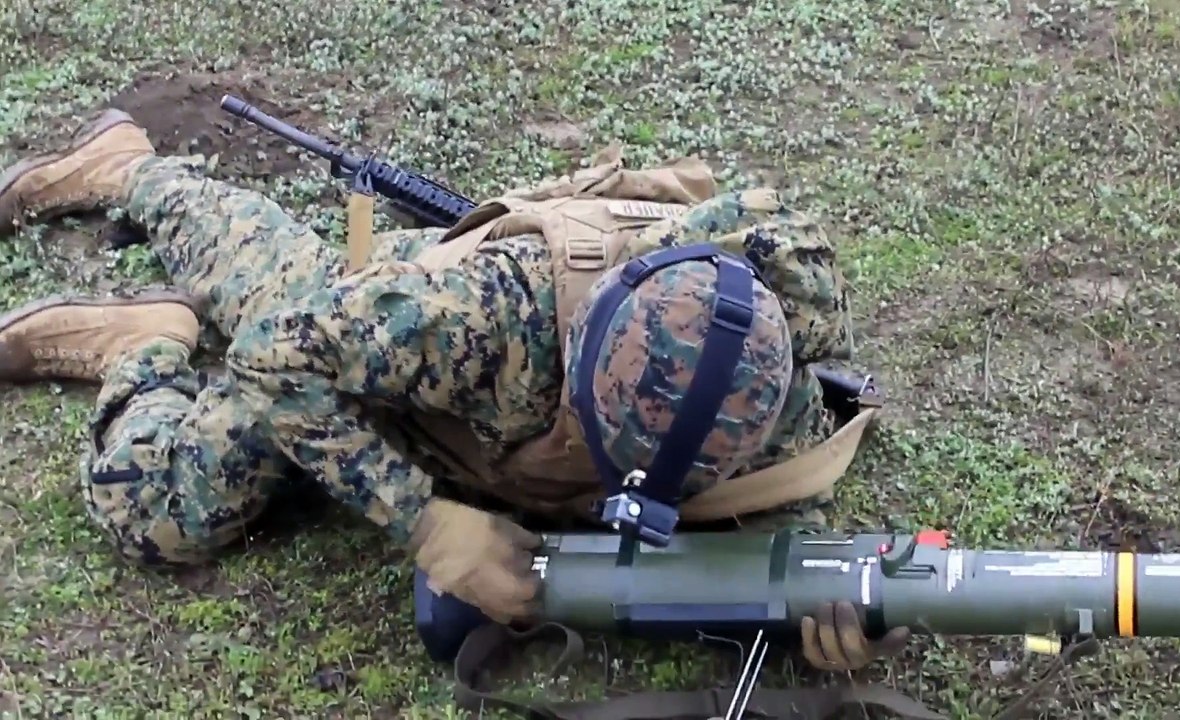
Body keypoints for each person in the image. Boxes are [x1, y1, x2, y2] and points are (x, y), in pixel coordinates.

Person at [0, 108, 909, 672]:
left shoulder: (768, 393)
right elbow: (281, 355)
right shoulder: (484, 318)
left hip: (478, 426)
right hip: (387, 349)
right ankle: (140, 246)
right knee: (162, 509)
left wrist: (835, 620)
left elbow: (772, 537)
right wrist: (429, 522)